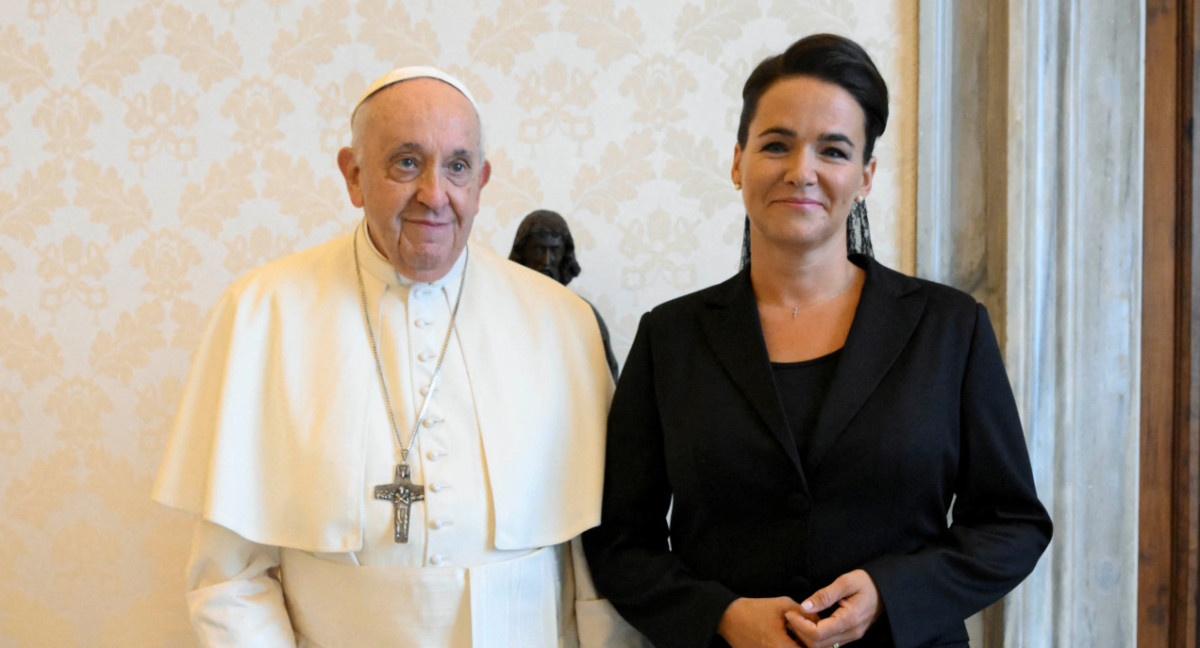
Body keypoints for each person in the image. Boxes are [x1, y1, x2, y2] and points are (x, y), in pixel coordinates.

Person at [582, 34, 1052, 648]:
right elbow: (620, 540)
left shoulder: (949, 327)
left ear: (866, 176)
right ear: (736, 162)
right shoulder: (671, 336)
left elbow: (1012, 524)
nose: (801, 171)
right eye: (776, 144)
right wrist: (721, 616)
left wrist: (892, 592)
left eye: (833, 150)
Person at [153, 66, 634, 647]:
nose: (434, 195)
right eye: (406, 162)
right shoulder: (263, 312)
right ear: (353, 176)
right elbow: (227, 579)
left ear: (480, 181)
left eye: (456, 166)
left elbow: (598, 571)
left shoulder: (560, 321)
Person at [509, 209, 620, 378]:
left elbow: (607, 380)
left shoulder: (583, 314)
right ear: (523, 251)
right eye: (538, 249)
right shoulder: (500, 309)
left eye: (554, 250)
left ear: (564, 254)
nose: (546, 261)